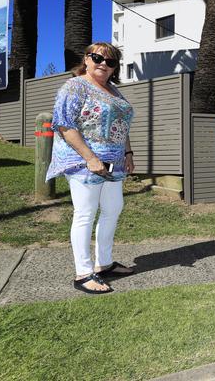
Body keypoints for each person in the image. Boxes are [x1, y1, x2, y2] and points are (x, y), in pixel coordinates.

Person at [46, 42, 135, 294]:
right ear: (86, 59)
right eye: (97, 58)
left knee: (113, 209)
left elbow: (122, 125)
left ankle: (104, 263)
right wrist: (89, 157)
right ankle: (83, 273)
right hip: (84, 162)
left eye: (110, 62)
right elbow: (64, 124)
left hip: (114, 161)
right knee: (85, 213)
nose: (103, 64)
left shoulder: (114, 91)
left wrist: (128, 152)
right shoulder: (74, 86)